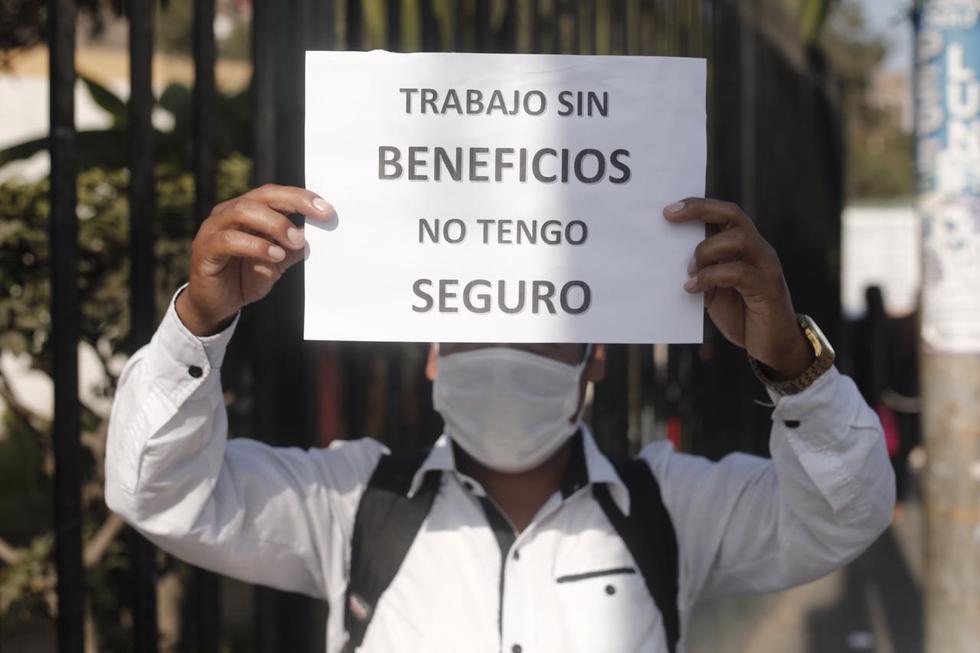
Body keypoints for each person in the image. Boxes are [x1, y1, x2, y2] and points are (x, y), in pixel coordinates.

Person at [105, 185, 895, 653]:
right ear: (432, 353)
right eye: (474, 319)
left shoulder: (672, 509)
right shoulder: (349, 503)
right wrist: (198, 322)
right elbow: (159, 493)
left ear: (597, 357)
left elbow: (844, 514)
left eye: (540, 318)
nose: (506, 342)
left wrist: (794, 363)